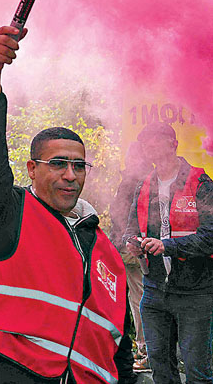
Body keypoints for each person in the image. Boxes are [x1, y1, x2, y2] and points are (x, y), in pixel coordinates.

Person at [0, 25, 136, 384]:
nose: (70, 175)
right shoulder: (8, 213)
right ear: (31, 169)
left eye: (78, 166)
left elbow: (121, 353)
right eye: (58, 164)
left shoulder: (106, 253)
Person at [124, 121, 213, 384]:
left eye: (154, 140)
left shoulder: (200, 182)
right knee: (160, 371)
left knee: (197, 372)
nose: (148, 146)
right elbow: (130, 228)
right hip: (154, 292)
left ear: (173, 144)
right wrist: (132, 242)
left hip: (196, 293)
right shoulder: (144, 185)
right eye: (145, 142)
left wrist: (167, 246)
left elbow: (211, 236)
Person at [110, 142, 152, 372]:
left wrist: (119, 242)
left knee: (139, 298)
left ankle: (147, 351)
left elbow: (123, 216)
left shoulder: (136, 181)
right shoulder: (147, 178)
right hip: (135, 246)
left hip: (132, 248)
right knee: (138, 297)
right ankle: (147, 349)